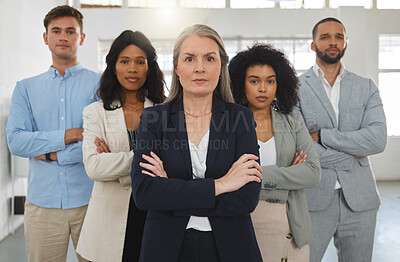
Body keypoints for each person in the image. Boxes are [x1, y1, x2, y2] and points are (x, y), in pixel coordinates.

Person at [130, 24, 263, 262]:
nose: (199, 68)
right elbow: (145, 193)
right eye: (190, 58)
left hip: (231, 247)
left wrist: (170, 189)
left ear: (221, 67)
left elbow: (247, 197)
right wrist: (221, 185)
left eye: (209, 59)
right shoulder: (153, 119)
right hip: (166, 247)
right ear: (177, 67)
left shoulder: (241, 118)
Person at [6, 5, 100, 262]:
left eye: (70, 31)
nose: (63, 37)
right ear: (45, 37)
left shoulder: (101, 85)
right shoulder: (25, 88)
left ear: (81, 38)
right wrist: (70, 135)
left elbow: (105, 145)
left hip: (92, 203)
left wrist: (51, 155)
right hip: (42, 204)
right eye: (56, 31)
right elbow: (16, 141)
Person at [294, 17, 387, 262]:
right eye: (325, 37)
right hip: (313, 200)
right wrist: (353, 154)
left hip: (361, 201)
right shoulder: (295, 88)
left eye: (339, 36)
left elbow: (377, 139)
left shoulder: (366, 87)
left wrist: (325, 136)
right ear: (313, 45)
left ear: (346, 43)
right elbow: (300, 147)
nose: (333, 42)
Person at [76, 30, 165, 262]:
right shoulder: (95, 112)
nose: (132, 69)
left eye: (140, 62)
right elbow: (94, 167)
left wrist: (117, 169)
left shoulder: (164, 110)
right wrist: (146, 162)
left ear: (150, 67)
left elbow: (176, 165)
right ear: (113, 66)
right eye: (124, 61)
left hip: (155, 216)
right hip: (108, 223)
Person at [229, 43, 321, 262]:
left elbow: (313, 173)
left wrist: (251, 175)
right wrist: (289, 173)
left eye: (270, 81)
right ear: (241, 84)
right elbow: (221, 176)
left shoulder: (293, 122)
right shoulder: (228, 125)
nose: (263, 89)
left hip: (292, 231)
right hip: (244, 225)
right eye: (254, 81)